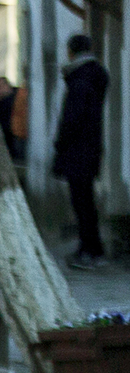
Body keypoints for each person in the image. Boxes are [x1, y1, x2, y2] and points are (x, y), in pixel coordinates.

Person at [54, 33, 110, 270]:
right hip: (90, 148)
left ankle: (90, 250)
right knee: (85, 201)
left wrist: (60, 142)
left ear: (71, 52)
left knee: (81, 202)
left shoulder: (80, 79)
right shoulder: (94, 75)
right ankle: (91, 248)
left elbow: (73, 119)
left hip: (78, 151)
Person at [0, 73, 27, 168]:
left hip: (15, 137)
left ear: (7, 86)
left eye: (0, 86)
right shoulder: (5, 101)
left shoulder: (10, 101)